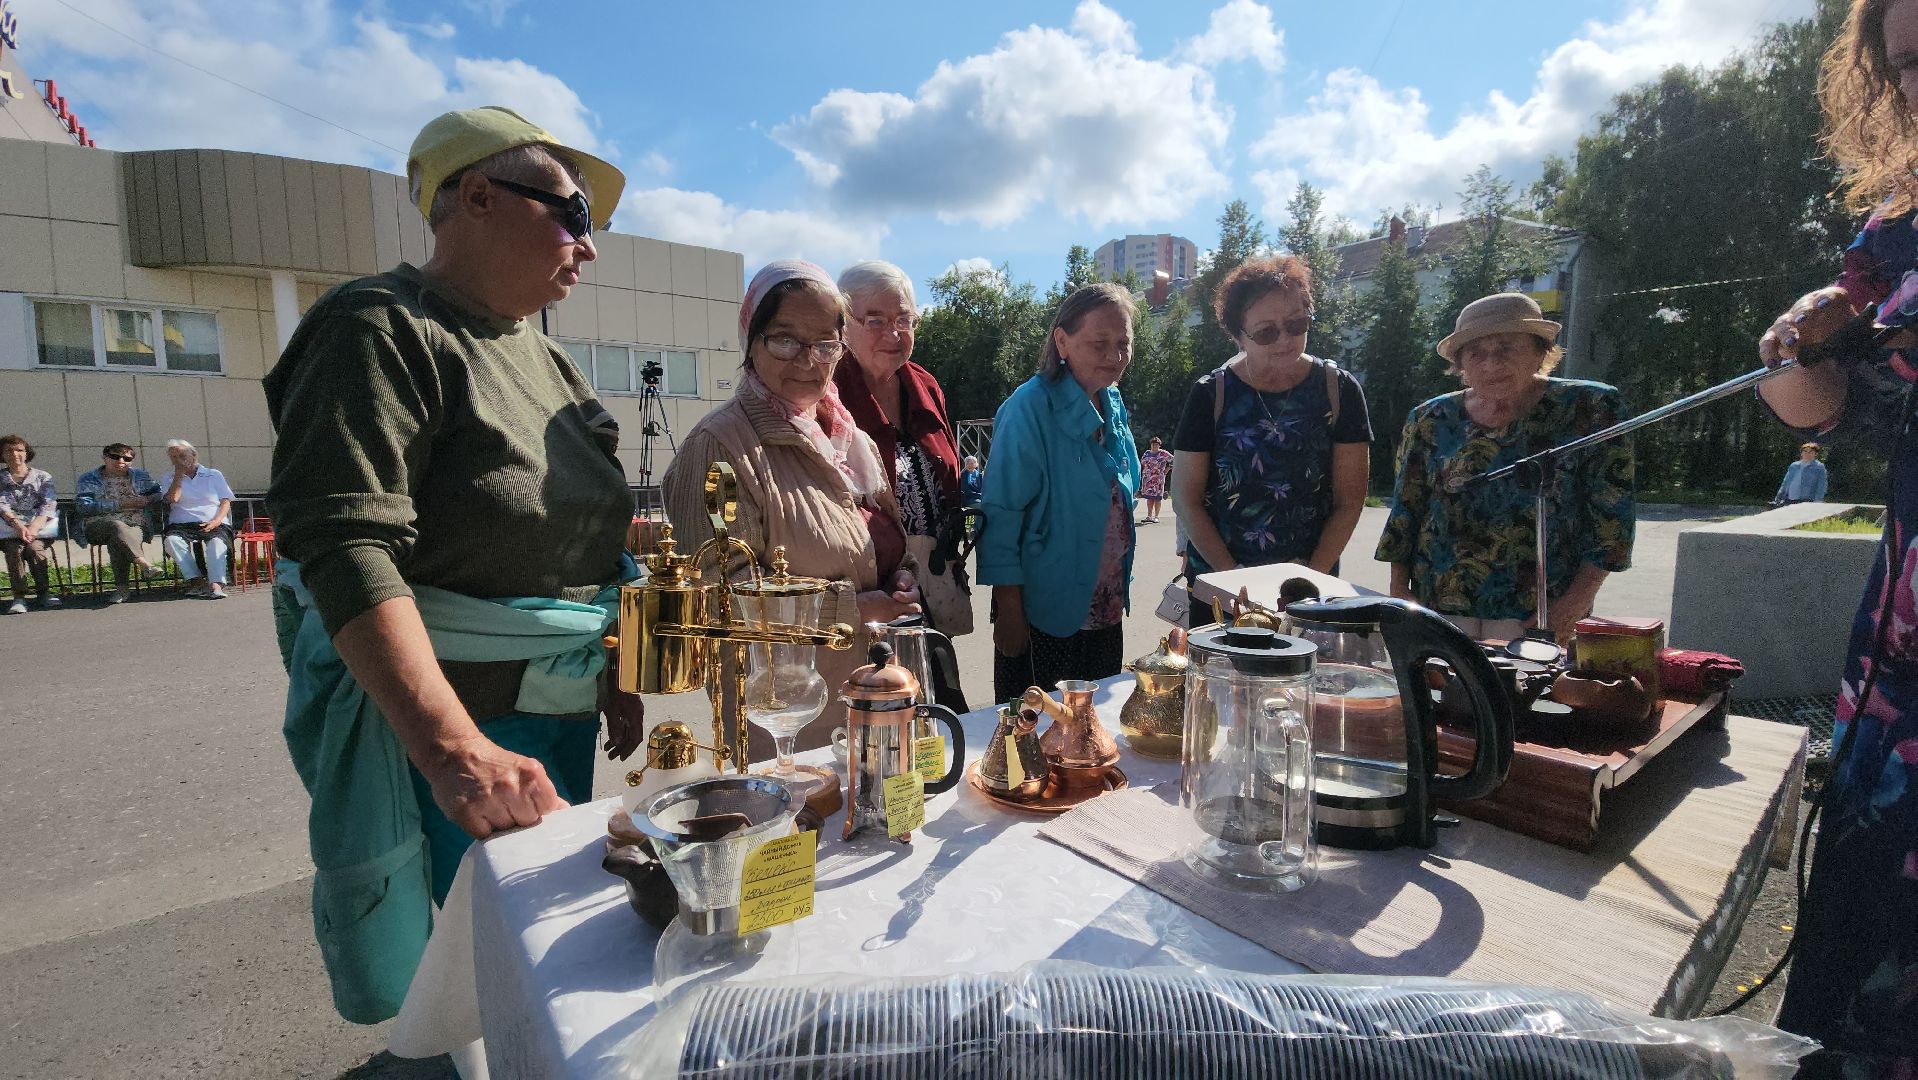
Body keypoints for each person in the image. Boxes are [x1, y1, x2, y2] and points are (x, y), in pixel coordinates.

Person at [263, 106, 641, 1025]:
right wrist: (451, 750)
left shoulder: (552, 362)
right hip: (456, 733)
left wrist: (618, 665)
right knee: (467, 988)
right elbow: (346, 544)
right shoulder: (379, 326)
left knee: (536, 961)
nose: (587, 249)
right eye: (573, 214)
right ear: (476, 195)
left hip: (550, 716)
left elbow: (581, 543)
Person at [1753, 1, 1918, 1067]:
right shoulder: (1893, 231)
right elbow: (1826, 412)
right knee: (1868, 922)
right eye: (1907, 67)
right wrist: (1789, 346)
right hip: (1904, 642)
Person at [664, 259, 921, 755]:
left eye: (825, 343)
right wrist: (855, 608)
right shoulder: (721, 446)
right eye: (784, 339)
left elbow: (882, 545)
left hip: (874, 697)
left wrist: (902, 576)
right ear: (750, 340)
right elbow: (723, 602)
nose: (807, 360)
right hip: (790, 723)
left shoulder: (847, 437)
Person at [1375, 293, 1634, 643]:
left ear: (1541, 350)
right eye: (1476, 353)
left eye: (1506, 348)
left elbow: (1611, 520)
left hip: (1540, 608)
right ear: (1461, 363)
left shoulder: (1590, 408)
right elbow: (1406, 509)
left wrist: (1575, 603)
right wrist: (1399, 595)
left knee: (1526, 695)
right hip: (1438, 604)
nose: (1491, 364)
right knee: (1443, 695)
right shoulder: (1430, 418)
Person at [979, 283, 1142, 703]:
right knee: (1035, 740)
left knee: (1089, 736)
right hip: (1043, 613)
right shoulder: (1028, 407)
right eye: (1100, 343)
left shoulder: (1114, 401)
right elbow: (1001, 514)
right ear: (1062, 341)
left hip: (1103, 606)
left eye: (1123, 343)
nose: (1114, 355)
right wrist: (1009, 608)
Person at [1173, 256, 1372, 596]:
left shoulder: (1339, 390)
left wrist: (1310, 580)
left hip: (1308, 587)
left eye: (1296, 324)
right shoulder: (1211, 393)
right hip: (1220, 584)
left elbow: (1348, 501)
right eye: (1266, 332)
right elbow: (1185, 500)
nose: (1284, 340)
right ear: (1238, 335)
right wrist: (1235, 579)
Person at [834, 259, 973, 639]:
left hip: (935, 577)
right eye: (875, 320)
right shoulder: (828, 393)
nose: (894, 333)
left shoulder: (925, 386)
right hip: (871, 589)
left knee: (939, 686)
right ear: (844, 322)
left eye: (904, 320)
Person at [75, 443, 162, 604]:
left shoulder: (140, 476)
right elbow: (83, 507)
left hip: (135, 524)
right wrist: (119, 504)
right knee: (116, 526)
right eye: (115, 456)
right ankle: (144, 564)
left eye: (127, 458)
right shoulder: (89, 478)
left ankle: (122, 589)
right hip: (97, 525)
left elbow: (159, 493)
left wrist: (148, 499)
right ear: (104, 458)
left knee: (118, 538)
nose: (121, 461)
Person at [160, 440, 235, 600]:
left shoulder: (213, 474)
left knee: (216, 543)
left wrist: (216, 521)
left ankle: (216, 584)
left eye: (181, 455)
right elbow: (173, 498)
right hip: (181, 524)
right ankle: (196, 581)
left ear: (193, 455)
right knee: (172, 541)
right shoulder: (169, 477)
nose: (178, 460)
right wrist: (179, 475)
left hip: (213, 521)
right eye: (173, 457)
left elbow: (225, 501)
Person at [0, 434, 59, 615]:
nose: (15, 454)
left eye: (19, 450)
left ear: (26, 453)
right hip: (8, 529)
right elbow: (1, 504)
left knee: (34, 550)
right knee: (14, 550)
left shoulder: (42, 476)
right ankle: (19, 597)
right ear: (2, 454)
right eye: (9, 450)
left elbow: (48, 504)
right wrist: (17, 525)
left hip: (38, 528)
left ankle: (44, 593)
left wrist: (33, 527)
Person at [1773, 442, 1830, 506]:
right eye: (1805, 451)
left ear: (1815, 454)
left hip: (1806, 500)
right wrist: (1778, 497)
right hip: (1789, 498)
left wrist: (1818, 501)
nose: (1807, 454)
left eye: (1810, 452)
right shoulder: (1794, 465)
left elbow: (1821, 486)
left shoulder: (1819, 467)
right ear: (1801, 453)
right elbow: (1786, 482)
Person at [1138, 436, 1174, 524]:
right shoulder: (1147, 453)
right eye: (1153, 444)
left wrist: (1168, 468)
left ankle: (1156, 516)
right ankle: (1149, 515)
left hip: (1158, 479)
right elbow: (1142, 463)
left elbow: (1174, 460)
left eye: (1156, 444)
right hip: (1147, 479)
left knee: (1157, 498)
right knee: (1149, 498)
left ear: (1159, 445)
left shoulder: (1163, 453)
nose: (1154, 446)